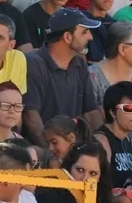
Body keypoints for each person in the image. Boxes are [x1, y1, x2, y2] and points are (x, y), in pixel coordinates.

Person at [22, 8, 103, 146]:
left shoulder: (79, 63)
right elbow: (31, 116)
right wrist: (52, 152)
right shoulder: (33, 63)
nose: (90, 37)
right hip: (41, 150)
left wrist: (102, 145)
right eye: (84, 32)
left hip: (72, 148)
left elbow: (90, 112)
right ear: (67, 37)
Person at [93, 81, 132, 189]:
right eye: (128, 108)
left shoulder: (131, 144)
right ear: (112, 112)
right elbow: (101, 185)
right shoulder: (101, 141)